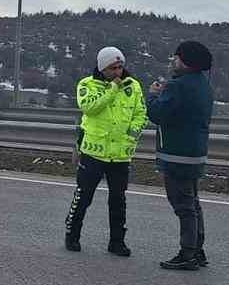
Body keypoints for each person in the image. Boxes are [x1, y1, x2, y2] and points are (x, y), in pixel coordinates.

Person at [64, 46, 148, 256]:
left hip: (120, 154)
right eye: (112, 68)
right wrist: (111, 89)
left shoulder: (133, 86)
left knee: (118, 199)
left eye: (120, 67)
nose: (117, 72)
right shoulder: (87, 84)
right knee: (84, 196)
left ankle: (117, 241)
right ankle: (72, 233)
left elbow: (141, 113)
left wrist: (132, 134)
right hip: (93, 152)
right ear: (102, 68)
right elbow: (90, 108)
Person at [148, 40, 215, 271]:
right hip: (195, 153)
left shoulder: (178, 86)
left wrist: (153, 95)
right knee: (193, 203)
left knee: (183, 206)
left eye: (176, 58)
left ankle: (187, 253)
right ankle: (198, 250)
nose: (173, 62)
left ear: (185, 61)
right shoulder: (204, 85)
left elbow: (157, 114)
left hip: (177, 155)